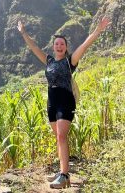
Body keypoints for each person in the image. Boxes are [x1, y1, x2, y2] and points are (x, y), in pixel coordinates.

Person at [17, 17, 111, 189]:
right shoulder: (49, 61)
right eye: (56, 44)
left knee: (61, 136)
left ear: (66, 47)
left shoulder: (70, 61)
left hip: (66, 101)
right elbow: (34, 47)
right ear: (53, 47)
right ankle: (62, 170)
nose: (59, 46)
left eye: (62, 44)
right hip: (52, 103)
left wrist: (98, 30)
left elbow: (85, 45)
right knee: (58, 137)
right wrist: (23, 32)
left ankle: (64, 175)